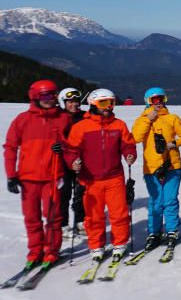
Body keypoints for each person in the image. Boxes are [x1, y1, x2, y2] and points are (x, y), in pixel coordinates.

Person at [4, 80, 71, 270]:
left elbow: (73, 145)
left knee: (52, 217)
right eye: (45, 96)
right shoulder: (22, 120)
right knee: (31, 217)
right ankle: (35, 251)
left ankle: (51, 251)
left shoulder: (63, 118)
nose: (50, 99)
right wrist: (11, 175)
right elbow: (10, 147)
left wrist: (63, 146)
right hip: (28, 178)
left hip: (52, 177)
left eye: (53, 95)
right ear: (35, 97)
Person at [64, 88, 137, 262]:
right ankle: (96, 245)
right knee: (93, 216)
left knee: (119, 213)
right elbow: (71, 150)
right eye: (104, 103)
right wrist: (73, 161)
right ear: (93, 104)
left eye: (111, 102)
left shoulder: (119, 124)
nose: (109, 106)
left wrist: (130, 154)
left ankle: (120, 243)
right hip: (90, 180)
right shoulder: (81, 127)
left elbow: (128, 144)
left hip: (114, 177)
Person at [132, 87, 181, 252]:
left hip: (172, 166)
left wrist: (174, 143)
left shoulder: (172, 118)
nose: (158, 103)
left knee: (170, 200)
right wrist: (147, 119)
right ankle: (154, 232)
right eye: (154, 100)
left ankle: (172, 230)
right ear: (147, 102)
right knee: (156, 202)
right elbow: (135, 137)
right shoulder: (142, 120)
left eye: (161, 99)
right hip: (151, 168)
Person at [57, 87, 86, 237]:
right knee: (64, 193)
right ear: (63, 102)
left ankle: (80, 220)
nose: (74, 104)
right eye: (70, 102)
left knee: (81, 191)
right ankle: (63, 224)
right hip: (62, 161)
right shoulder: (57, 117)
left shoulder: (84, 117)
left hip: (81, 160)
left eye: (76, 101)